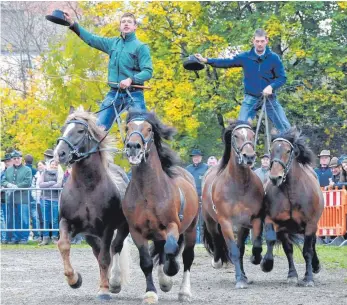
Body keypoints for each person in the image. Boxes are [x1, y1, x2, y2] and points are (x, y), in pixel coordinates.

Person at [64, 12, 153, 131]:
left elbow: (148, 72)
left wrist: (131, 79)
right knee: (97, 130)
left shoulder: (141, 47)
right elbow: (91, 39)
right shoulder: (113, 43)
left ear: (135, 26)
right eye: (123, 22)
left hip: (134, 94)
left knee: (139, 131)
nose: (126, 24)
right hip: (114, 94)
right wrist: (72, 23)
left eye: (129, 22)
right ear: (120, 26)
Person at [195, 29, 291, 133]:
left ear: (266, 40)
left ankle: (292, 149)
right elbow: (228, 62)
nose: (260, 44)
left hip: (269, 99)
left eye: (262, 41)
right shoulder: (245, 57)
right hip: (251, 99)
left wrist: (271, 87)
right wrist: (207, 60)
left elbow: (282, 78)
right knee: (240, 129)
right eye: (257, 41)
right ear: (253, 41)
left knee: (285, 128)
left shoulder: (274, 58)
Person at [1, 151, 32, 244]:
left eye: (18, 158)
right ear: (12, 160)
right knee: (13, 219)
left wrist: (17, 186)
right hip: (10, 198)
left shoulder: (27, 169)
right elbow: (3, 181)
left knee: (24, 219)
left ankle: (24, 238)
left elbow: (27, 182)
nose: (16, 160)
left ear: (21, 159)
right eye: (14, 158)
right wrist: (9, 185)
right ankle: (15, 237)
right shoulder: (8, 170)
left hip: (23, 198)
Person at [186, 149, 209, 243]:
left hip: (203, 198)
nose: (195, 158)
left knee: (204, 221)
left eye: (197, 157)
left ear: (201, 158)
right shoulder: (188, 169)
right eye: (194, 157)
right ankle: (194, 240)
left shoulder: (207, 168)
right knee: (191, 220)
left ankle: (204, 241)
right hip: (190, 199)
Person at [38, 159, 63, 245]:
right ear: (49, 165)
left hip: (55, 199)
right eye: (52, 164)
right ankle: (45, 238)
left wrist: (47, 185)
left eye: (55, 165)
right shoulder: (44, 172)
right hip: (44, 199)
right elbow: (41, 184)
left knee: (55, 219)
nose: (53, 166)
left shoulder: (60, 173)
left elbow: (59, 185)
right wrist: (51, 183)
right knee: (45, 219)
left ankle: (55, 237)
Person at [1, 153, 13, 243]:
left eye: (8, 161)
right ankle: (5, 237)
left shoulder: (13, 171)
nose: (7, 163)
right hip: (3, 198)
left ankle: (8, 237)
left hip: (13, 198)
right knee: (4, 218)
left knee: (10, 218)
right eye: (5, 161)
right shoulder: (2, 172)